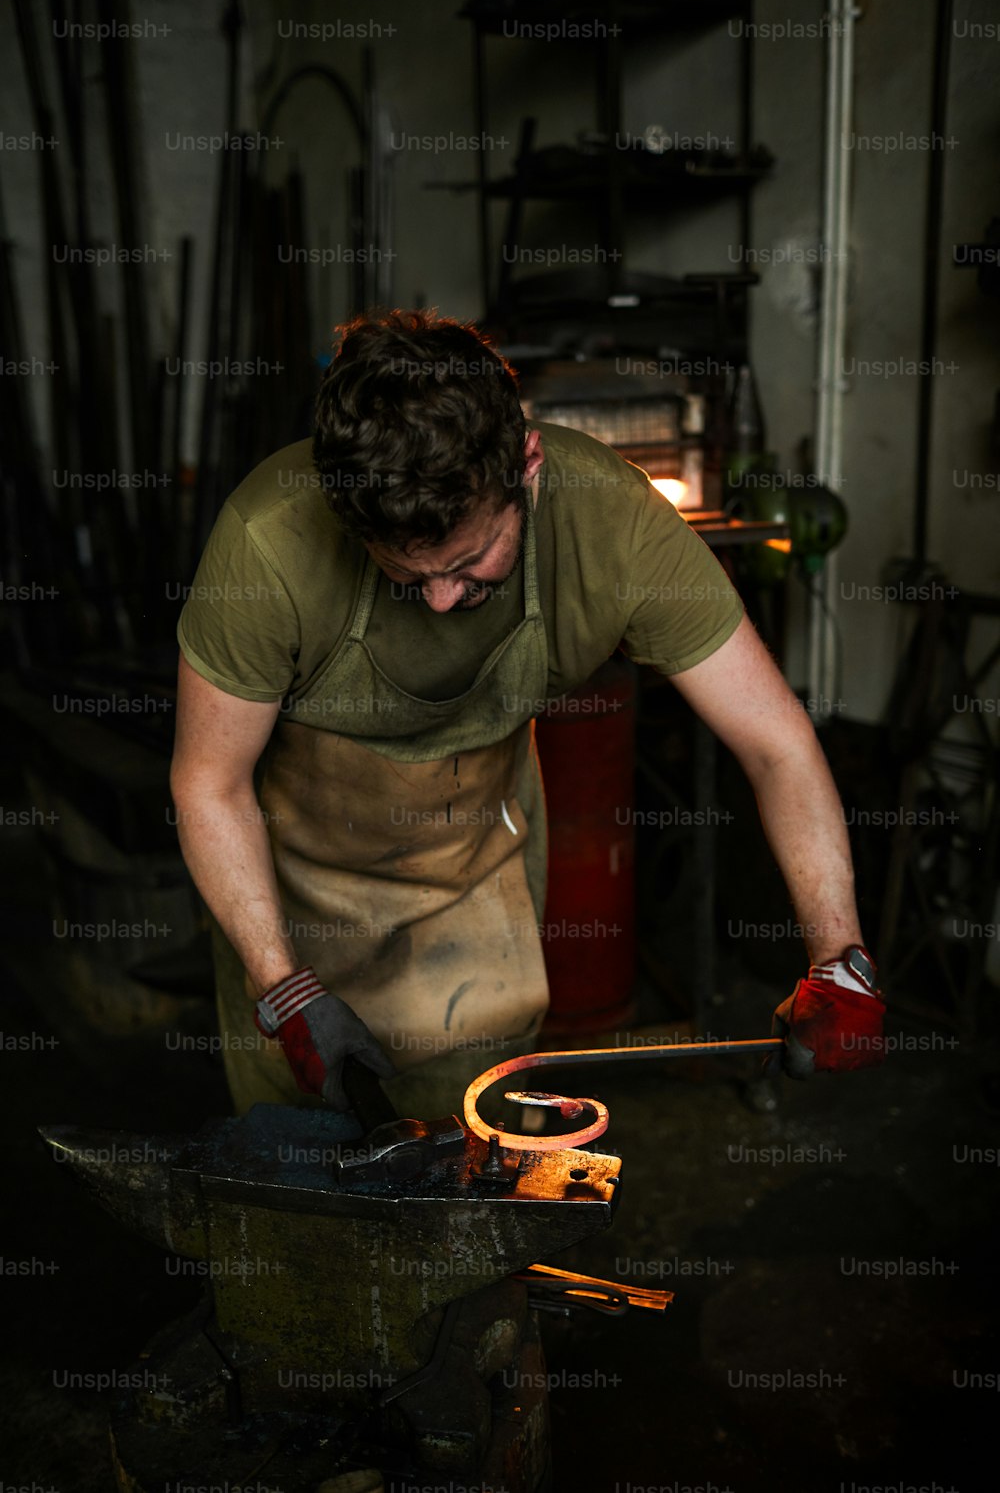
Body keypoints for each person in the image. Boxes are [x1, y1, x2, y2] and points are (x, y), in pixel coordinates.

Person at [169, 309, 884, 1119]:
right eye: (407, 574)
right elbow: (209, 783)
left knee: (477, 1145)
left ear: (528, 467)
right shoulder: (267, 542)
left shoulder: (614, 525)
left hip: (475, 875)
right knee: (296, 1176)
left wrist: (839, 959)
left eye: (471, 563)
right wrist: (283, 989)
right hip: (290, 895)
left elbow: (776, 744)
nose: (441, 601)